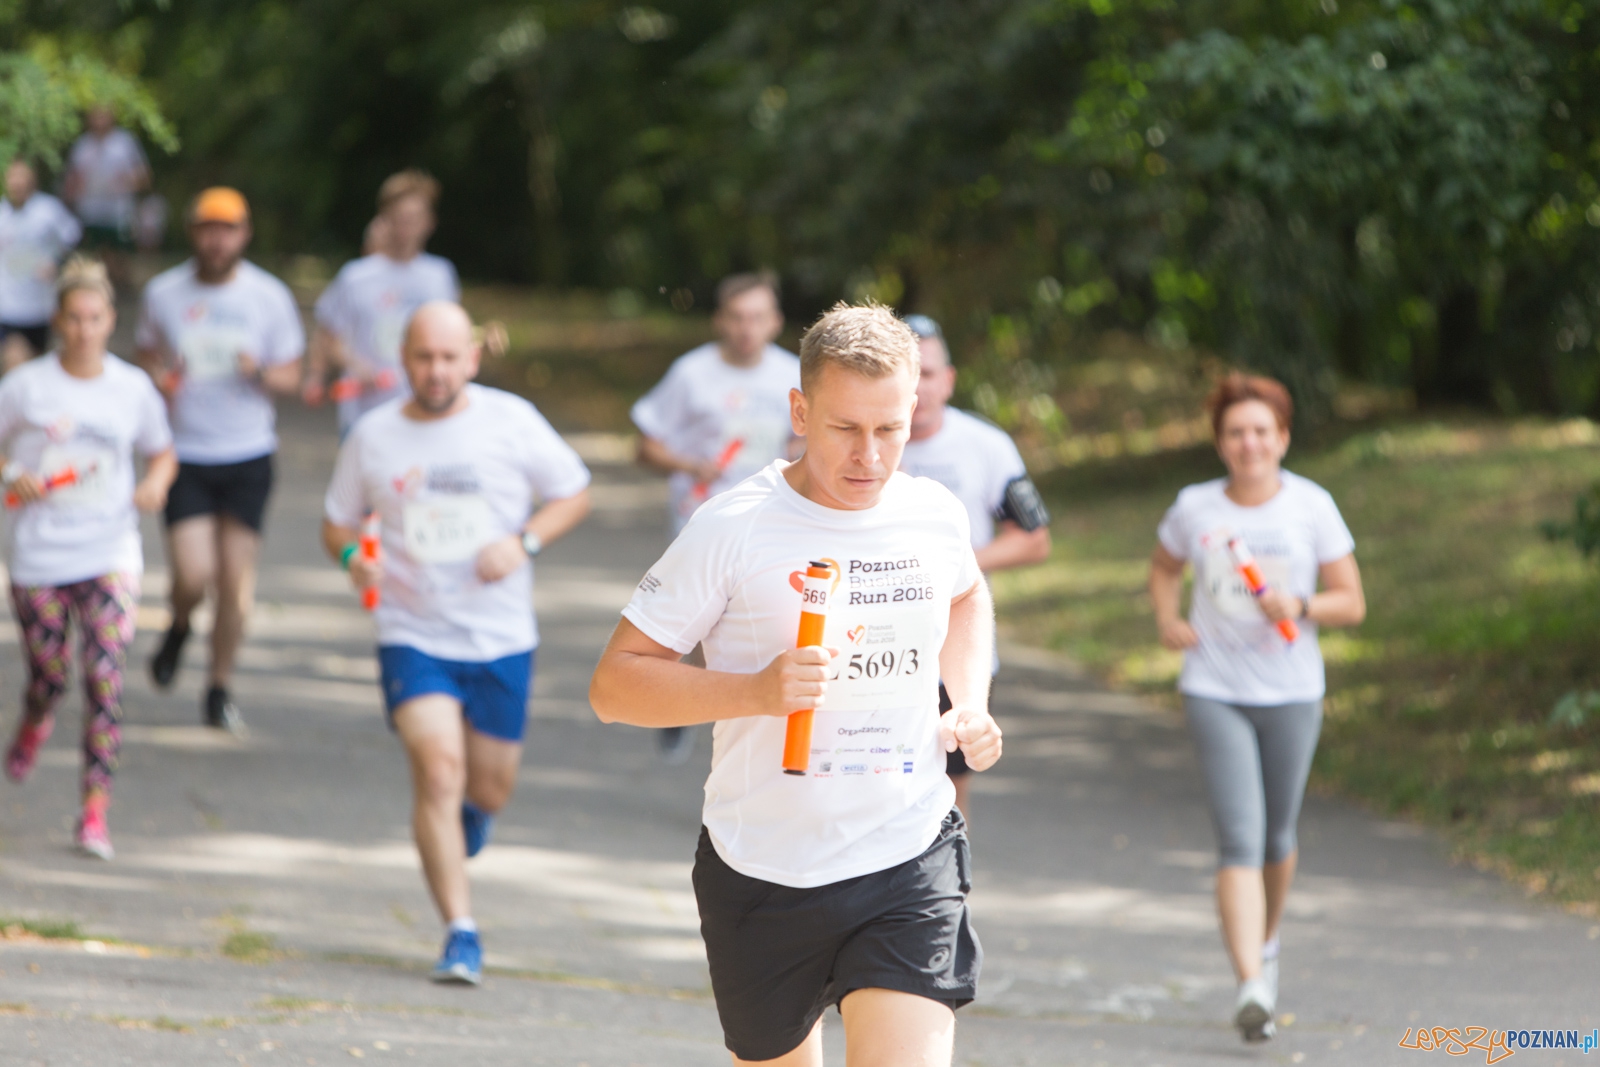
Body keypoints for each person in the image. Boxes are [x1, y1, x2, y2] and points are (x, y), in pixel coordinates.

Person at [591, 302, 1003, 1067]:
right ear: (801, 409)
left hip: (906, 852)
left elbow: (965, 593)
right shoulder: (735, 526)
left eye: (890, 429)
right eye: (846, 428)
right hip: (764, 868)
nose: (870, 456)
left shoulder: (932, 513)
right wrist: (753, 691)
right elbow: (614, 685)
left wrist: (968, 699)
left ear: (915, 408)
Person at [322, 301, 591, 985]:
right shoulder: (374, 435)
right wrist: (355, 555)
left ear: (471, 358)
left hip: (500, 635)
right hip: (413, 631)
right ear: (404, 359)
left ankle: (470, 820)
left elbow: (573, 492)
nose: (436, 371)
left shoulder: (510, 421)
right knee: (438, 769)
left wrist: (523, 541)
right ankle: (460, 931)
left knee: (489, 787)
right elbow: (336, 523)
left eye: (449, 357)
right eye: (423, 357)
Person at [1147, 372, 1366, 1043]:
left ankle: (1266, 944)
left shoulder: (1312, 506)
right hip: (1215, 687)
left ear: (1283, 438)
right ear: (1220, 443)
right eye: (1237, 432)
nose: (1250, 443)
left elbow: (1352, 601)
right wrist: (1167, 619)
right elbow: (1163, 566)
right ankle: (1250, 984)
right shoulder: (1196, 507)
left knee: (1278, 837)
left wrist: (1298, 604)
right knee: (1240, 836)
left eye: (1261, 431)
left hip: (1293, 688)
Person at [0, 257, 177, 859]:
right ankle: (35, 715)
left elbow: (164, 452)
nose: (82, 329)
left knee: (104, 676)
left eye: (94, 318)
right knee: (51, 674)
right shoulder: (25, 388)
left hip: (109, 551)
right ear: (57, 321)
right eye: (72, 318)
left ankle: (94, 811)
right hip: (39, 554)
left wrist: (155, 483)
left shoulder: (131, 388)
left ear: (110, 320)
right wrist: (13, 473)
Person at [136, 188, 305, 734]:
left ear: (244, 234)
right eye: (208, 228)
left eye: (228, 229)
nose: (217, 239)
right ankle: (180, 623)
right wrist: (161, 377)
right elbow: (146, 360)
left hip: (248, 453)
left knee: (234, 584)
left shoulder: (268, 296)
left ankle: (219, 686)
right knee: (193, 574)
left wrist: (258, 372)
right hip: (185, 452)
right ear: (193, 233)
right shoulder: (164, 293)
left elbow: (292, 377)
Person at [629, 271, 799, 763]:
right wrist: (687, 465)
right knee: (701, 624)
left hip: (773, 520)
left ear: (775, 322)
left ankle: (732, 712)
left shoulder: (795, 373)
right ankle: (682, 703)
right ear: (720, 321)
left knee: (751, 618)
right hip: (701, 521)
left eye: (758, 318)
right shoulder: (691, 373)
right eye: (738, 317)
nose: (747, 328)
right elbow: (644, 445)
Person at [898, 314, 1051, 819]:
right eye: (907, 371)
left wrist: (954, 568)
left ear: (949, 379)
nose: (918, 385)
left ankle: (948, 886)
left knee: (950, 782)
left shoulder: (986, 445)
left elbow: (1033, 538)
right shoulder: (861, 444)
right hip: (875, 638)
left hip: (955, 642)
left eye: (929, 372)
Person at [309, 170, 459, 434]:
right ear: (385, 220)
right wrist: (354, 365)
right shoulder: (356, 276)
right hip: (365, 417)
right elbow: (326, 339)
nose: (406, 227)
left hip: (426, 415)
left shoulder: (441, 276)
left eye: (414, 219)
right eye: (400, 218)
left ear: (430, 222)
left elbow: (453, 342)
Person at [0, 159, 82, 369]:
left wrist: (57, 263)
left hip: (39, 307)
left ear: (31, 180)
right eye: (12, 176)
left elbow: (74, 237)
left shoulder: (48, 210)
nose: (17, 182)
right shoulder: (2, 213)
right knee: (14, 362)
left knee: (34, 368)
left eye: (22, 176)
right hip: (7, 307)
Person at [61, 107, 150, 285]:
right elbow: (72, 179)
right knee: (94, 257)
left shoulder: (124, 142)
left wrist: (125, 182)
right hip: (90, 211)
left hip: (118, 211)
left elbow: (144, 177)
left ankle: (122, 293)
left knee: (120, 256)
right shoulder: (82, 145)